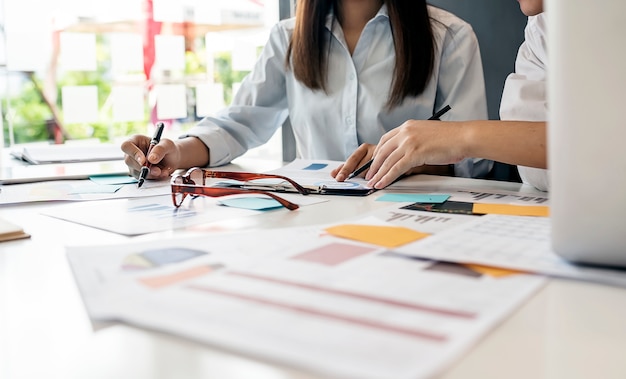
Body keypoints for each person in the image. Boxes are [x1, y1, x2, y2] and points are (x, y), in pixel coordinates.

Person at [122, 0, 489, 182]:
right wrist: (173, 152)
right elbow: (239, 124)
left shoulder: (449, 37)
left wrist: (409, 157)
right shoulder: (288, 37)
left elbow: (476, 159)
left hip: (414, 215)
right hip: (314, 213)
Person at [333, 0, 548, 191]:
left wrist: (453, 138)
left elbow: (569, 145)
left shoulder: (449, 34)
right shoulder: (539, 29)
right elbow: (537, 150)